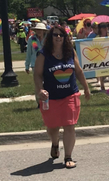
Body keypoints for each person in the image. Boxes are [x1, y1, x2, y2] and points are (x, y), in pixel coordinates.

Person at [33, 27, 91, 169]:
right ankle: (55, 143)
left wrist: (86, 87)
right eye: (55, 35)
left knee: (69, 125)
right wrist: (40, 89)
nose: (58, 37)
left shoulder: (70, 52)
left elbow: (78, 70)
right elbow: (37, 74)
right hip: (51, 97)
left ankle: (68, 156)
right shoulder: (44, 54)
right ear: (50, 37)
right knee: (52, 127)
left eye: (61, 35)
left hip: (70, 94)